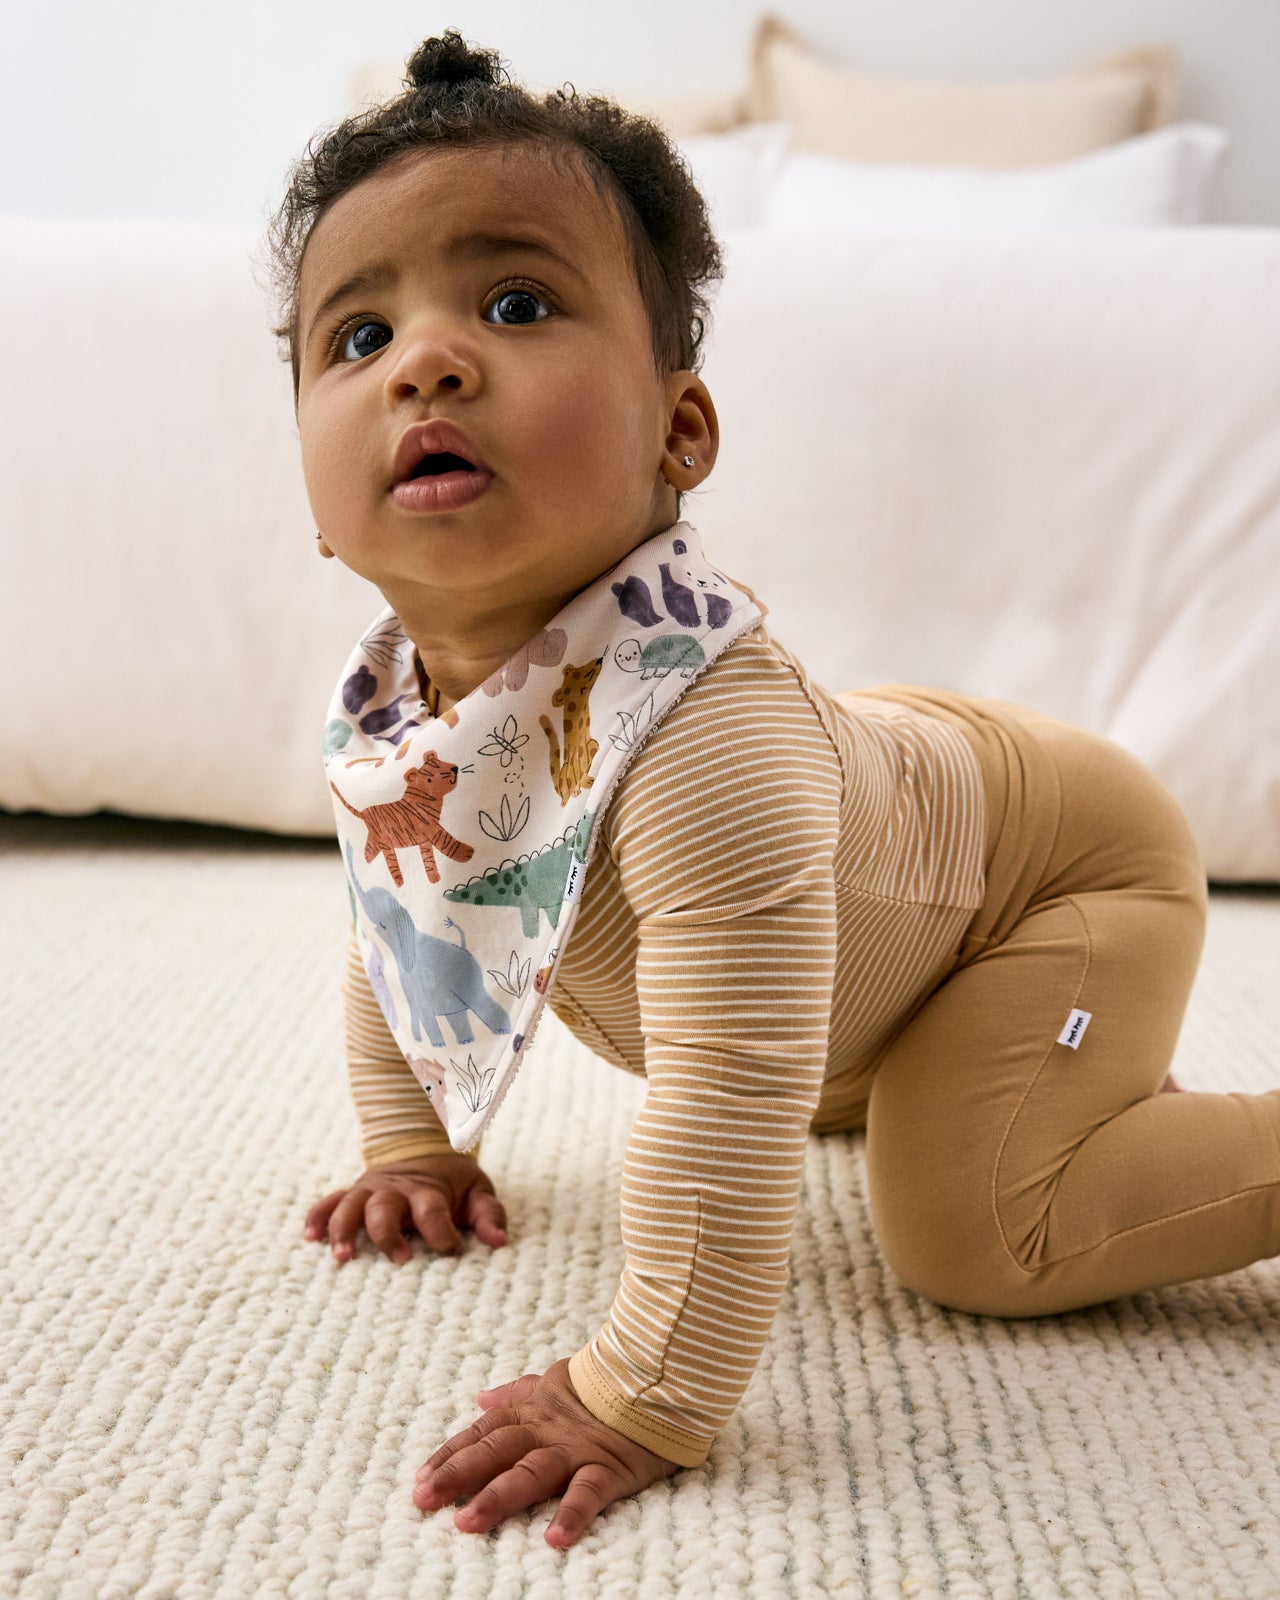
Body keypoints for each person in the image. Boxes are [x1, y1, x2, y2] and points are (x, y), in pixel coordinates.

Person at [263, 31, 1280, 1551]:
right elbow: (405, 926)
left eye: (516, 304)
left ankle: (1099, 1098)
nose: (426, 360)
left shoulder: (705, 744)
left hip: (1057, 880)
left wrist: (645, 1388)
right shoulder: (401, 719)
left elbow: (729, 1083)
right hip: (890, 844)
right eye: (357, 337)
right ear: (316, 497)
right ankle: (1056, 1075)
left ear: (679, 431)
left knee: (975, 1225)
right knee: (845, 1076)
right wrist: (413, 1145)